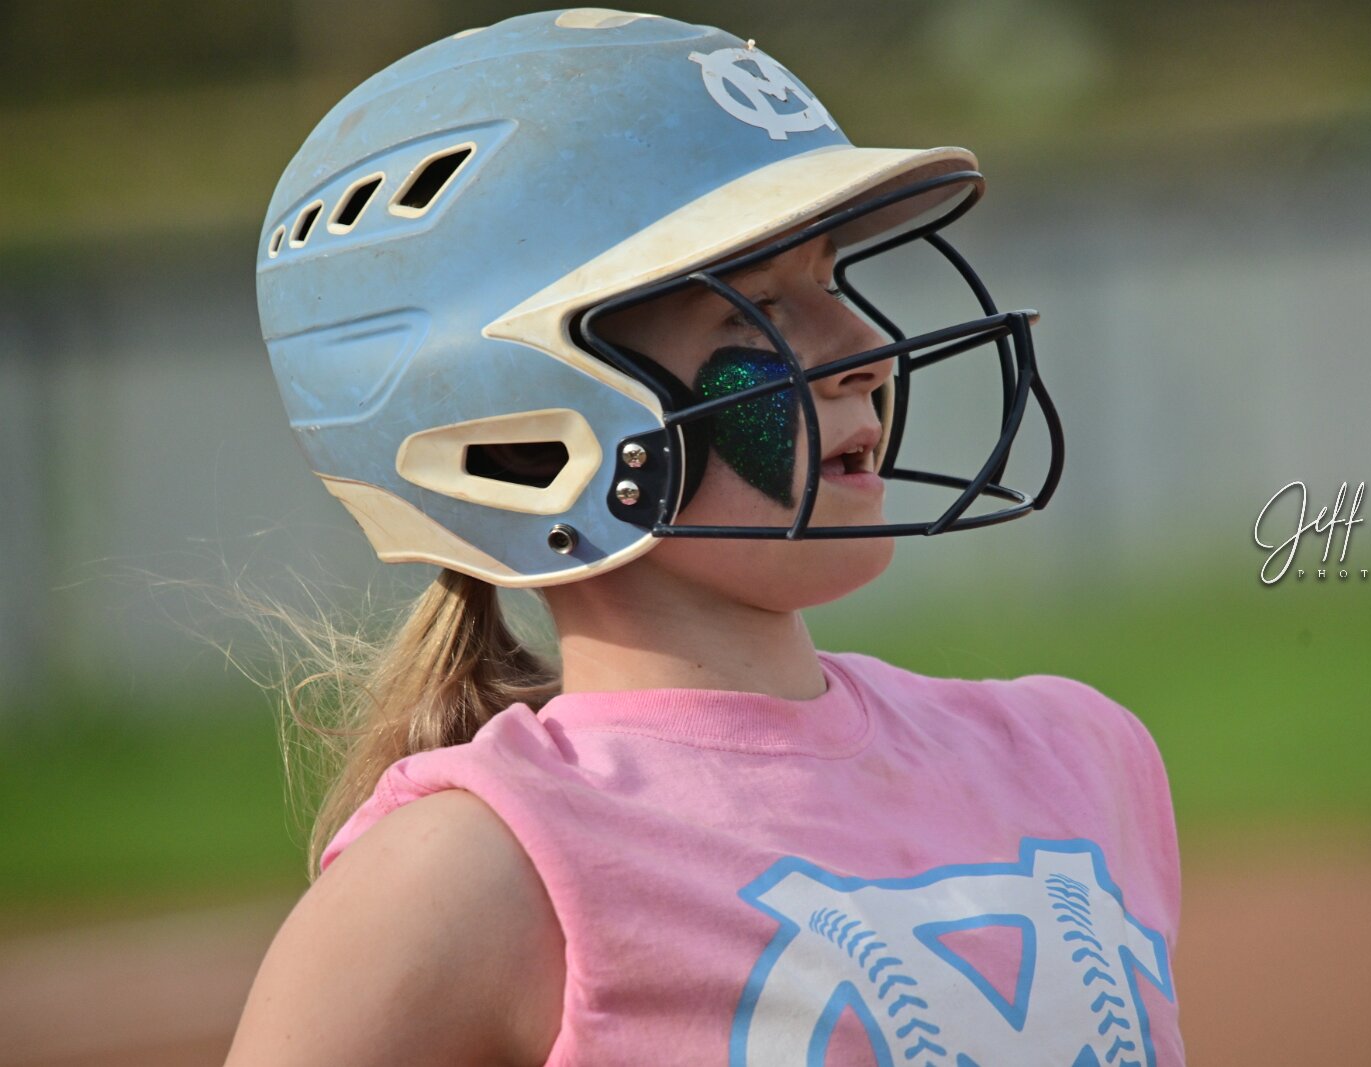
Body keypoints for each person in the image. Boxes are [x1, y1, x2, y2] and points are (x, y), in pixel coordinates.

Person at [228, 9, 1183, 1066]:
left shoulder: (1075, 755)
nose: (869, 346)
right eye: (753, 309)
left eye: (831, 279)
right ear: (516, 413)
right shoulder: (471, 874)